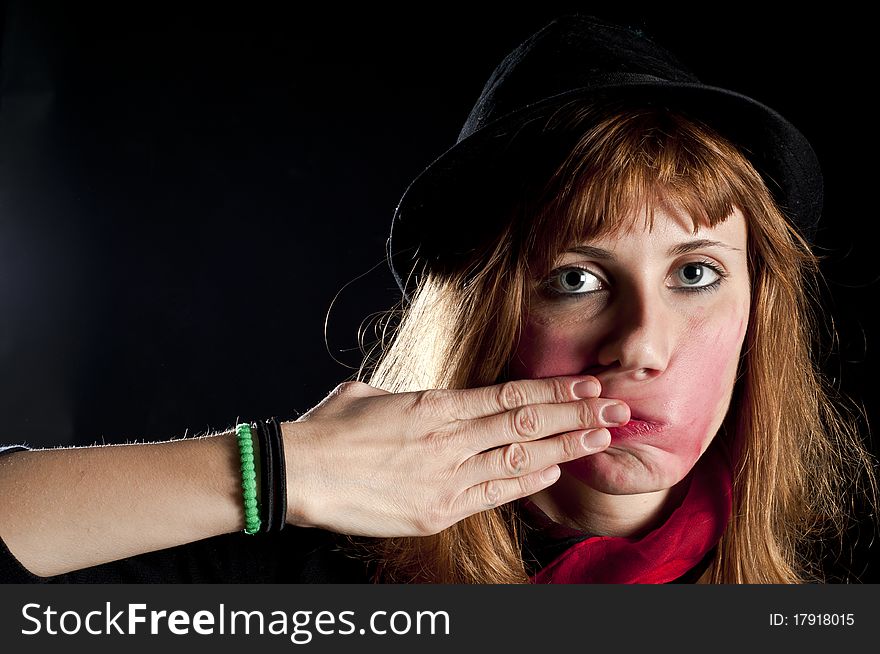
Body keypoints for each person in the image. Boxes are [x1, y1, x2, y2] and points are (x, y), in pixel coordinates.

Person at [0, 14, 876, 584]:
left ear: (757, 309)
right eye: (576, 279)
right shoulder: (312, 575)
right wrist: (284, 469)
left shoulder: (842, 585)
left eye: (695, 273)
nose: (641, 345)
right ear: (488, 314)